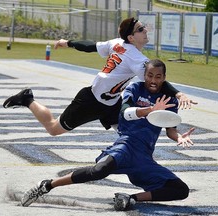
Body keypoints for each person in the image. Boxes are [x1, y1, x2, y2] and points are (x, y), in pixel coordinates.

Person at [20, 59, 195, 211]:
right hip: (125, 146)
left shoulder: (170, 100)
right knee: (99, 171)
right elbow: (126, 112)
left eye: (158, 76)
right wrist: (150, 109)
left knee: (180, 189)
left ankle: (131, 198)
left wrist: (179, 137)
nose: (153, 80)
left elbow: (170, 128)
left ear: (164, 78)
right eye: (150, 75)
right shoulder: (135, 88)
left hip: (144, 157)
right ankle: (47, 185)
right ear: (144, 75)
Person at [3, 17, 196, 136]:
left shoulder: (117, 43)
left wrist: (67, 42)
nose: (144, 30)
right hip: (91, 101)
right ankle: (28, 99)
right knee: (54, 129)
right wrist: (178, 95)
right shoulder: (136, 58)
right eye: (140, 29)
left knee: (128, 134)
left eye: (143, 27)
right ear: (130, 38)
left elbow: (90, 46)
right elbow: (157, 80)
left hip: (111, 102)